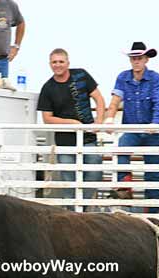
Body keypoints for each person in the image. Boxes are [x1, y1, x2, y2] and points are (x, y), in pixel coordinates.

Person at [37, 48, 106, 206]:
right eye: (54, 62)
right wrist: (72, 123)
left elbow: (99, 99)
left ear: (68, 63)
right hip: (65, 141)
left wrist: (99, 121)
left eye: (61, 61)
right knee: (69, 181)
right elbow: (47, 119)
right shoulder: (48, 88)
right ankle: (73, 212)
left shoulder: (81, 74)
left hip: (88, 137)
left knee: (95, 173)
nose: (58, 65)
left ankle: (83, 207)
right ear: (50, 64)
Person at [105, 42, 159, 213]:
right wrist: (110, 117)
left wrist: (155, 123)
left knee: (154, 174)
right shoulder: (123, 77)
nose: (136, 61)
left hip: (152, 131)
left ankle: (154, 214)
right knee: (120, 152)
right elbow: (115, 100)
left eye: (139, 58)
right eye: (134, 58)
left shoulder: (155, 78)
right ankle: (125, 189)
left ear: (146, 59)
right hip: (132, 129)